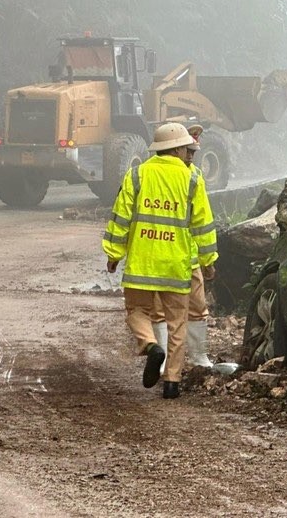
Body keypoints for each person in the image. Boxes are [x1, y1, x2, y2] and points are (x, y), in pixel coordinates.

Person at [102, 123, 218, 399]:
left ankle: (151, 346)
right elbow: (203, 224)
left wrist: (114, 254)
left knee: (137, 312)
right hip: (176, 266)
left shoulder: (137, 175)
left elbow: (121, 218)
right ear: (177, 148)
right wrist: (207, 260)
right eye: (186, 148)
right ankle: (172, 383)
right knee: (178, 323)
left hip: (142, 264)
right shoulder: (192, 179)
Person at [151, 124, 215, 370]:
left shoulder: (194, 177)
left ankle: (199, 357)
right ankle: (164, 361)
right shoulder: (154, 175)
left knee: (197, 307)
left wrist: (207, 260)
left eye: (193, 151)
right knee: (159, 311)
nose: (191, 156)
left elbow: (202, 224)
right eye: (188, 150)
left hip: (186, 258)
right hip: (162, 256)